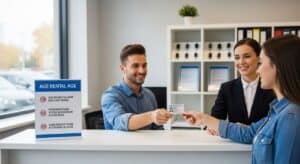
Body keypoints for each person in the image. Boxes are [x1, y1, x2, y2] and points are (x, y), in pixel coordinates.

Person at [183, 35, 300, 164]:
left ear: (278, 66)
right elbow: (249, 133)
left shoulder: (290, 115)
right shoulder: (277, 109)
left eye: (261, 62)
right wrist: (203, 119)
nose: (259, 70)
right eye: (237, 57)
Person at [101, 44, 172, 131]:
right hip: (120, 144)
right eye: (135, 66)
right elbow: (119, 122)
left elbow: (157, 129)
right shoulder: (110, 95)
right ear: (123, 68)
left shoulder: (150, 95)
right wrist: (152, 116)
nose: (142, 71)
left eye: (144, 65)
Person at [211, 38, 275, 125]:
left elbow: (276, 122)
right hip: (234, 138)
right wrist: (203, 120)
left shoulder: (271, 87)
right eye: (237, 57)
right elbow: (215, 119)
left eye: (247, 56)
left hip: (264, 138)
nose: (241, 62)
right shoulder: (227, 88)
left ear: (258, 58)